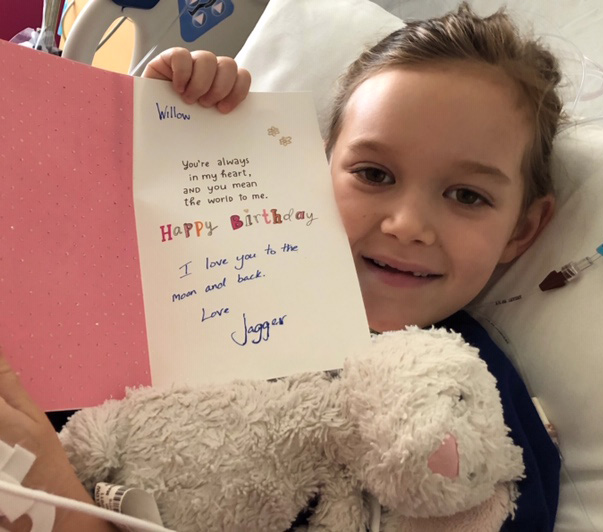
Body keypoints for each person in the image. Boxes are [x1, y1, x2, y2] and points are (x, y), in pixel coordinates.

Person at [0, 3, 562, 531]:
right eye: (375, 174)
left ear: (522, 229)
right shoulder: (225, 271)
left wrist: (65, 513)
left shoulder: (472, 397)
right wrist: (165, 140)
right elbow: (72, 306)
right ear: (309, 169)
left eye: (466, 196)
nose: (406, 224)